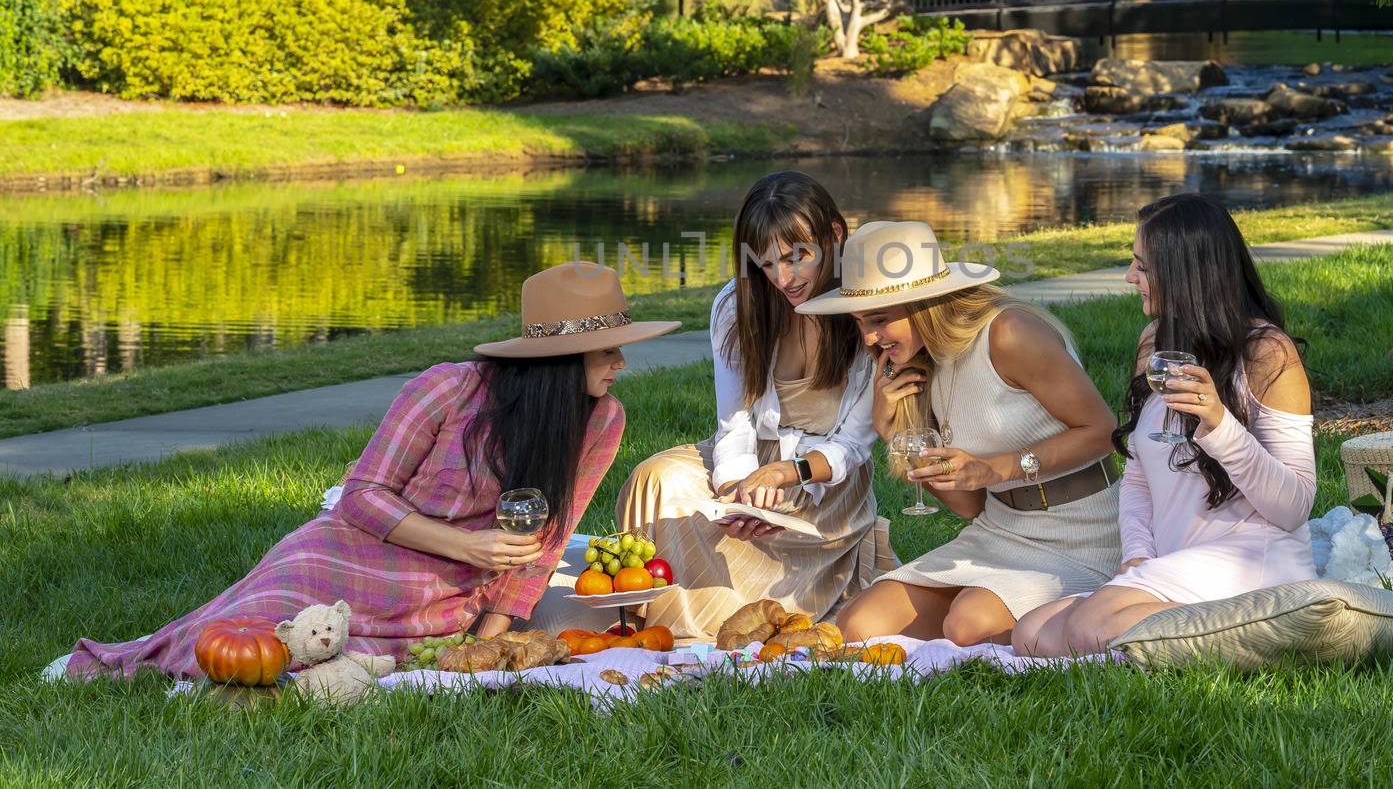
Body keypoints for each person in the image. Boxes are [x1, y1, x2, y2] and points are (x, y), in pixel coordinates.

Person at [61, 263, 680, 679]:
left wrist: (489, 639)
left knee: (338, 665)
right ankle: (131, 662)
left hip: (444, 600)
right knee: (255, 641)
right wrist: (467, 543)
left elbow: (544, 548)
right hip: (342, 554)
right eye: (608, 350)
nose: (621, 363)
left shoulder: (603, 420)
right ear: (560, 360)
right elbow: (361, 497)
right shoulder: (448, 389)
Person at [1013, 193, 1315, 657]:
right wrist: (1137, 556)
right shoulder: (1155, 342)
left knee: (1089, 628)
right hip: (1178, 563)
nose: (1130, 278)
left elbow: (1294, 507)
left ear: (1185, 271)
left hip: (1254, 558)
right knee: (1032, 634)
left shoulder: (1267, 352)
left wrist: (1218, 423)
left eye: (1143, 267)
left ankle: (1273, 619)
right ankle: (1197, 631)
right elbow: (1137, 473)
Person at [809, 221, 1123, 647]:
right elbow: (971, 504)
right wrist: (892, 431)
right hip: (1000, 530)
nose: (868, 337)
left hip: (1084, 533)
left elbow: (1102, 430)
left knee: (967, 624)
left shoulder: (1009, 333)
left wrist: (996, 469)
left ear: (923, 303)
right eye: (860, 322)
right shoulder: (921, 360)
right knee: (858, 625)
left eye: (879, 319)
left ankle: (1096, 601)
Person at [616, 171, 895, 642]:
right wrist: (734, 488)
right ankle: (661, 604)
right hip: (750, 463)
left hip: (822, 477)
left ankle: (712, 613)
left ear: (835, 234)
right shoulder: (737, 304)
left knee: (745, 583)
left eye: (796, 258)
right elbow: (735, 425)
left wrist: (787, 475)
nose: (783, 278)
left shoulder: (866, 306)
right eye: (767, 264)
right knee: (655, 478)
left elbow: (853, 444)